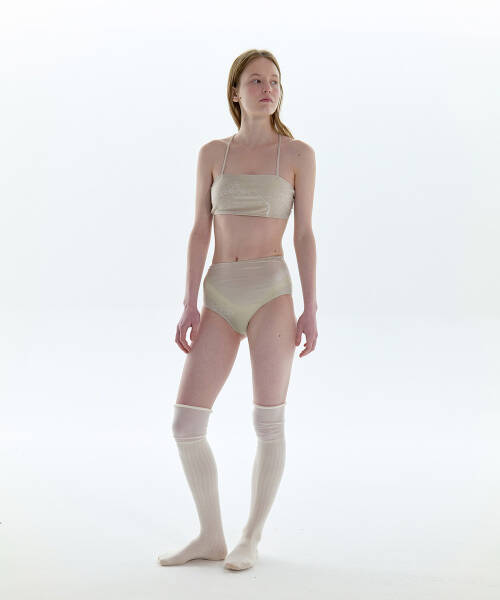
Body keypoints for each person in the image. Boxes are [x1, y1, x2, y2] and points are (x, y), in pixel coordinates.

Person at [158, 49, 318, 571]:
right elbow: (199, 230)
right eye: (255, 81)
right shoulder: (212, 153)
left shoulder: (298, 155)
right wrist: (188, 302)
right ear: (235, 91)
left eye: (274, 81)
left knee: (268, 421)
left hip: (271, 291)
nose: (267, 89)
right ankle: (210, 535)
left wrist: (311, 307)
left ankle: (250, 536)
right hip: (219, 294)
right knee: (186, 423)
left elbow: (304, 234)